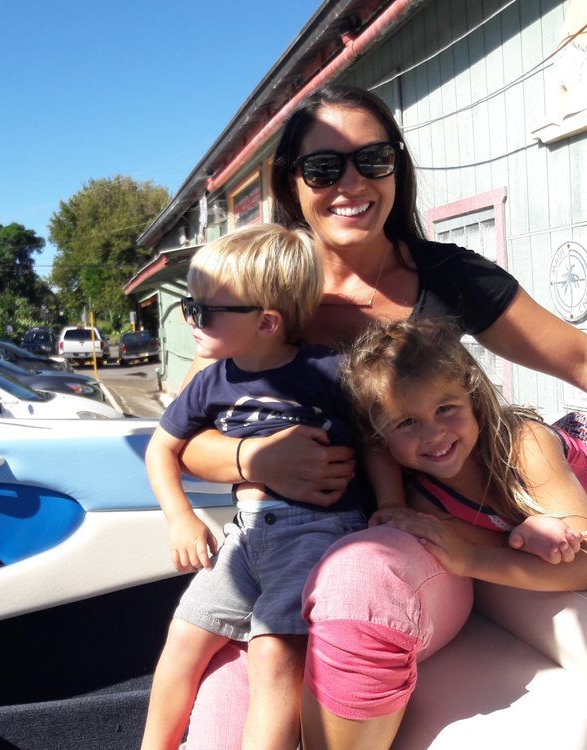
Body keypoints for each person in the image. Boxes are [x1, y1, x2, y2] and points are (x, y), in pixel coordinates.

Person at [174, 83, 587, 750]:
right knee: (222, 709)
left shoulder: (447, 276)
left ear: (397, 168)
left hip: (414, 537)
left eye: (373, 159)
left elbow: (586, 360)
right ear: (292, 183)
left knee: (361, 577)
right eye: (324, 167)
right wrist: (256, 459)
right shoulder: (263, 292)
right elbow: (187, 436)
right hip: (286, 543)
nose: (352, 183)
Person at [141, 224, 402, 750]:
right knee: (183, 639)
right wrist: (181, 518)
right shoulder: (210, 382)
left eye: (204, 311)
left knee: (274, 653)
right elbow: (160, 449)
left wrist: (392, 504)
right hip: (243, 537)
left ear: (266, 322)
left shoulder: (329, 372)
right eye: (190, 306)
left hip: (318, 532)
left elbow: (374, 442)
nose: (191, 320)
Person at [341, 318, 587, 574]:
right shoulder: (428, 501)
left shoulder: (526, 446)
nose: (433, 433)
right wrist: (522, 538)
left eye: (445, 409)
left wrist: (469, 560)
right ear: (381, 438)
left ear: (474, 401)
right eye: (406, 422)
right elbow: (501, 545)